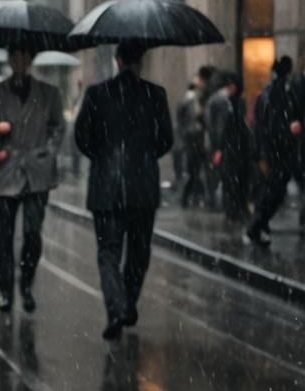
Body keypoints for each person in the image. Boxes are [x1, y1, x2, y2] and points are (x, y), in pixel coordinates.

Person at [73, 42, 173, 340]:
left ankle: (116, 307)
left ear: (117, 61)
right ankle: (127, 301)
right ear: (140, 61)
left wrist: (103, 158)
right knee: (138, 254)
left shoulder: (96, 94)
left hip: (106, 189)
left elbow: (81, 137)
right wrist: (142, 158)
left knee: (108, 253)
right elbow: (165, 139)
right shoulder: (155, 95)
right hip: (143, 188)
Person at [0, 44, 64, 313]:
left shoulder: (49, 94)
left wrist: (47, 154)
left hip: (37, 175)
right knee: (4, 234)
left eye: (25, 55)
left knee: (32, 233)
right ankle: (5, 291)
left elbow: (58, 128)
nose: (20, 61)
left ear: (31, 58)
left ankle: (26, 284)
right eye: (15, 56)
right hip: (5, 172)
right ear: (10, 59)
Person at [245, 56, 304, 245]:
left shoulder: (270, 92)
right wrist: (289, 129)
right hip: (281, 150)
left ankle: (258, 226)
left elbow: (264, 124)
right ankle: (256, 227)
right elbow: (273, 124)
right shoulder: (280, 92)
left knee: (273, 190)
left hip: (276, 150)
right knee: (274, 191)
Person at [207, 72, 252, 225]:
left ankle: (235, 210)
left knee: (235, 181)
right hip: (232, 148)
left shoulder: (234, 102)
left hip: (235, 148)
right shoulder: (227, 102)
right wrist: (219, 148)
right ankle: (233, 211)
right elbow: (221, 127)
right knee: (232, 181)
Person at [175, 65, 212, 208]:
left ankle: (195, 198)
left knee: (195, 171)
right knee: (195, 171)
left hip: (195, 138)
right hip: (194, 139)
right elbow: (189, 117)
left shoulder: (194, 97)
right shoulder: (191, 98)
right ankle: (190, 198)